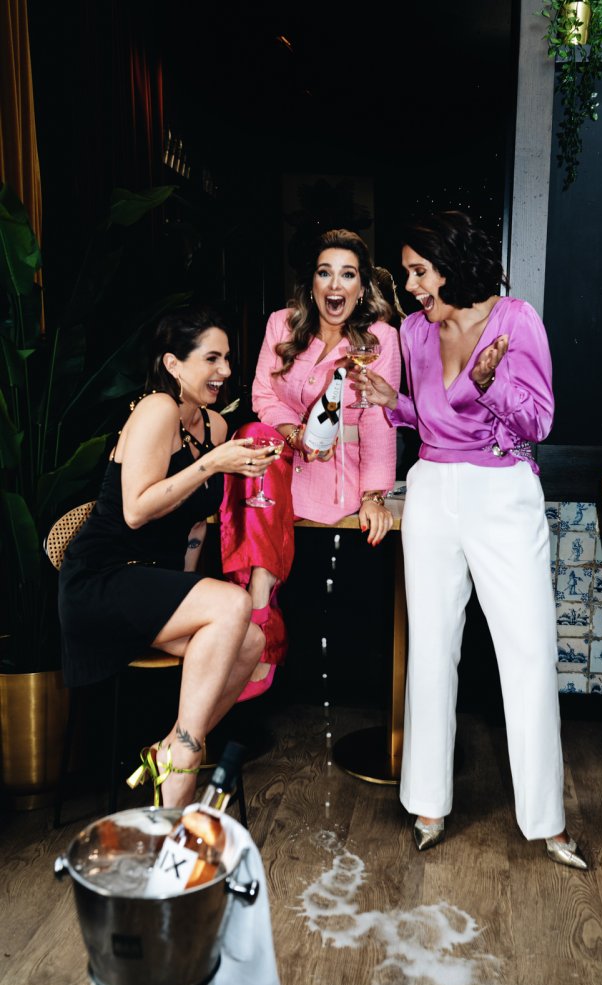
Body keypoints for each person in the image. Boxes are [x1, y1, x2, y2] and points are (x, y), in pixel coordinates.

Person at [351, 211, 587, 868]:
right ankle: (428, 805)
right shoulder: (415, 331)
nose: (409, 286)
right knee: (430, 650)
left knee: (528, 652)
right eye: (408, 274)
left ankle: (548, 822)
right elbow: (430, 417)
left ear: (451, 264)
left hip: (502, 493)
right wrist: (390, 401)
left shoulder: (515, 320)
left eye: (418, 271)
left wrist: (490, 384)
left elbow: (538, 421)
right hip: (431, 489)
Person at [58, 305, 277, 808]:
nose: (225, 370)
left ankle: (167, 749)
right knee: (234, 604)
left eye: (228, 359)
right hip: (103, 579)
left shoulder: (214, 425)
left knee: (250, 641)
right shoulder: (157, 409)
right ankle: (181, 775)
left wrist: (185, 593)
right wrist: (212, 464)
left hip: (150, 583)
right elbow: (136, 511)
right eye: (212, 358)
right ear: (173, 364)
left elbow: (195, 526)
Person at [219, 229, 401, 696]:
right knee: (252, 436)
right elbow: (263, 395)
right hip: (283, 460)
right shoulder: (281, 325)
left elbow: (380, 419)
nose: (335, 285)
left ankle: (256, 630)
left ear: (362, 287)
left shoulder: (380, 339)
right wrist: (294, 434)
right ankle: (259, 616)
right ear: (312, 282)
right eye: (325, 273)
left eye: (348, 274)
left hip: (339, 473)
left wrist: (374, 494)